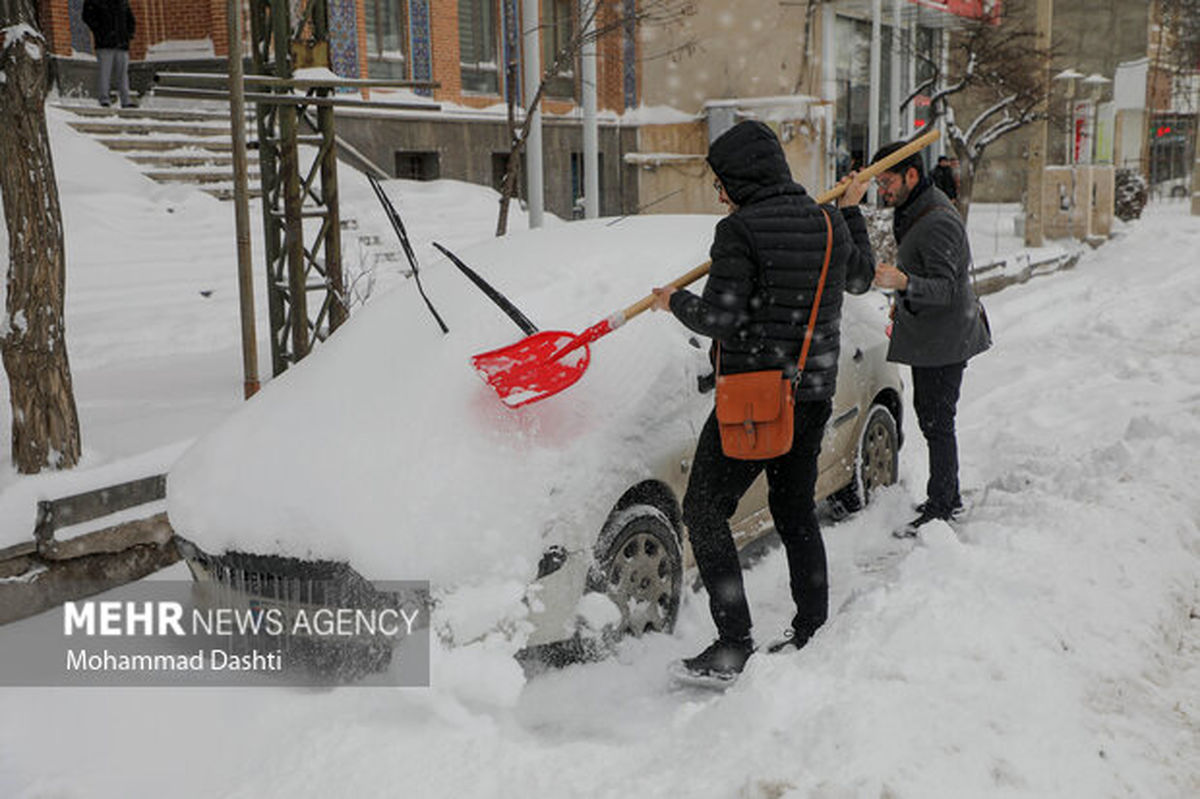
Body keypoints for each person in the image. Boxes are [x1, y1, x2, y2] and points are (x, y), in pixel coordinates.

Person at [650, 120, 875, 683]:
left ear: (742, 179)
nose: (720, 195)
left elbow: (721, 320)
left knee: (703, 511)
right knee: (795, 509)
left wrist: (674, 301)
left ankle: (733, 644)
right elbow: (862, 279)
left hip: (755, 399)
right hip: (813, 393)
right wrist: (850, 211)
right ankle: (812, 627)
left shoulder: (739, 232)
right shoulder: (828, 223)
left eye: (722, 183)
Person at [869, 141, 991, 537]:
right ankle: (945, 495)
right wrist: (904, 297)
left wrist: (904, 283)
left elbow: (946, 289)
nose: (882, 191)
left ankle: (943, 505)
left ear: (911, 176)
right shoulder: (915, 207)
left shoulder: (937, 219)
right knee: (932, 417)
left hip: (947, 339)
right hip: (935, 336)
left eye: (887, 182)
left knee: (938, 422)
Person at [82, 0, 137, 108]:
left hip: (122, 44)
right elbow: (87, 16)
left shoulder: (122, 2)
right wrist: (100, 31)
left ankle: (126, 100)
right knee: (104, 73)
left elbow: (130, 19)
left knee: (123, 74)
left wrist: (128, 34)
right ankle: (104, 99)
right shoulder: (95, 2)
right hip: (104, 44)